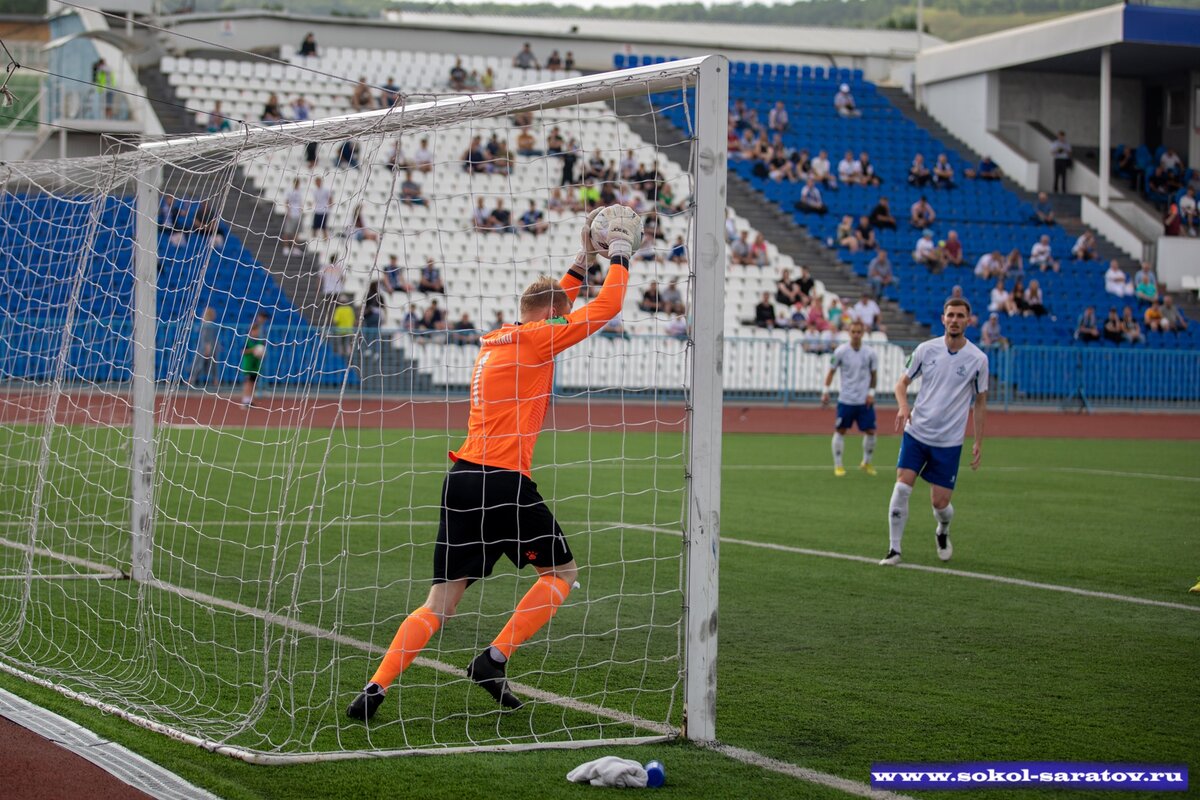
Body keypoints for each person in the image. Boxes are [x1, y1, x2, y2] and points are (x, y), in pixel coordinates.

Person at [346, 208, 637, 721]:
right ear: (548, 319)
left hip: (462, 480)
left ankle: (375, 688)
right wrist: (617, 253)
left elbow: (555, 305)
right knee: (562, 574)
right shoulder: (537, 339)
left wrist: (580, 260)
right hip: (504, 481)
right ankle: (493, 658)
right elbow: (608, 305)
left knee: (440, 603)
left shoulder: (503, 339)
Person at [881, 298, 988, 566]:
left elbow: (981, 401)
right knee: (902, 486)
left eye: (960, 316)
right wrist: (904, 406)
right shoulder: (925, 350)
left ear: (968, 321)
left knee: (940, 504)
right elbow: (900, 384)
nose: (954, 320)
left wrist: (978, 441)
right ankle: (894, 550)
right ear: (943, 319)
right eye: (950, 315)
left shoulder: (978, 359)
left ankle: (943, 531)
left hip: (949, 442)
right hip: (917, 432)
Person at [821, 320, 878, 477]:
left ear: (863, 333)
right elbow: (831, 371)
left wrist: (871, 393)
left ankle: (866, 462)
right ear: (849, 333)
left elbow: (874, 375)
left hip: (864, 400)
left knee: (871, 431)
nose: (856, 335)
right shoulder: (840, 351)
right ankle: (838, 465)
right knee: (840, 430)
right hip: (846, 399)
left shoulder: (870, 353)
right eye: (853, 332)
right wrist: (825, 391)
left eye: (859, 332)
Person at [240, 312, 270, 407]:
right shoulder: (248, 341)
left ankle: (250, 400)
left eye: (257, 331)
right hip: (248, 365)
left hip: (256, 365)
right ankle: (245, 400)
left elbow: (263, 353)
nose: (256, 333)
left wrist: (261, 354)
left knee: (253, 383)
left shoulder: (260, 341)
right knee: (248, 383)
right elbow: (243, 351)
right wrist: (253, 350)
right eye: (254, 331)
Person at [189, 307, 219, 386]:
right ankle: (192, 379)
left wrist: (210, 346)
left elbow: (210, 337)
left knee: (207, 364)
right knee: (202, 364)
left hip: (208, 347)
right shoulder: (207, 324)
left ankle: (192, 379)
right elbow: (206, 336)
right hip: (207, 347)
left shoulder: (207, 324)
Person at [311, 176, 332, 240]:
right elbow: (315, 200)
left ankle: (325, 241)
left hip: (324, 211)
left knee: (324, 227)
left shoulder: (326, 190)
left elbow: (330, 199)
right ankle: (313, 241)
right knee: (314, 227)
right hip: (317, 210)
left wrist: (329, 207)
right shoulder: (314, 190)